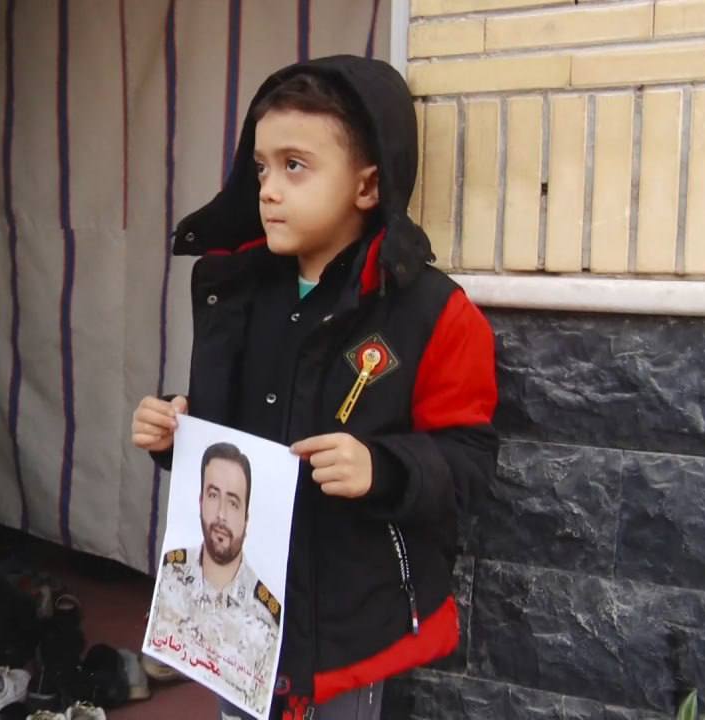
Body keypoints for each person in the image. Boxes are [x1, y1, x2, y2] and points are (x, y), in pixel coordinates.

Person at [132, 55, 498, 720]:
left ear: (367, 185)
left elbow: (470, 465)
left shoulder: (434, 315)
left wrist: (381, 468)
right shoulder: (233, 290)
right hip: (237, 619)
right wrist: (176, 433)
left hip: (349, 624)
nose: (268, 190)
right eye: (261, 168)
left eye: (295, 166)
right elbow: (228, 436)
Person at [150, 442, 280, 713]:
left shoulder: (266, 617)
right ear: (200, 502)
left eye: (233, 503)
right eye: (212, 495)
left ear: (246, 518)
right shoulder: (172, 572)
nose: (221, 515)